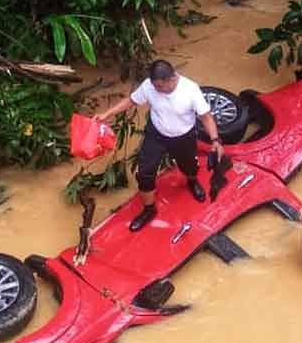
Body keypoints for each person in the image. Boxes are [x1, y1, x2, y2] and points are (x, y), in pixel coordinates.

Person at [96, 60, 225, 231]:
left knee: (190, 167)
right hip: (156, 134)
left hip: (183, 136)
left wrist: (215, 141)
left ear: (172, 79)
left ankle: (192, 181)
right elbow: (131, 101)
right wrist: (107, 114)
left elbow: (206, 117)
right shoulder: (149, 86)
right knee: (144, 173)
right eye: (154, 86)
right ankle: (149, 209)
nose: (156, 90)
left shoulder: (190, 90)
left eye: (159, 86)